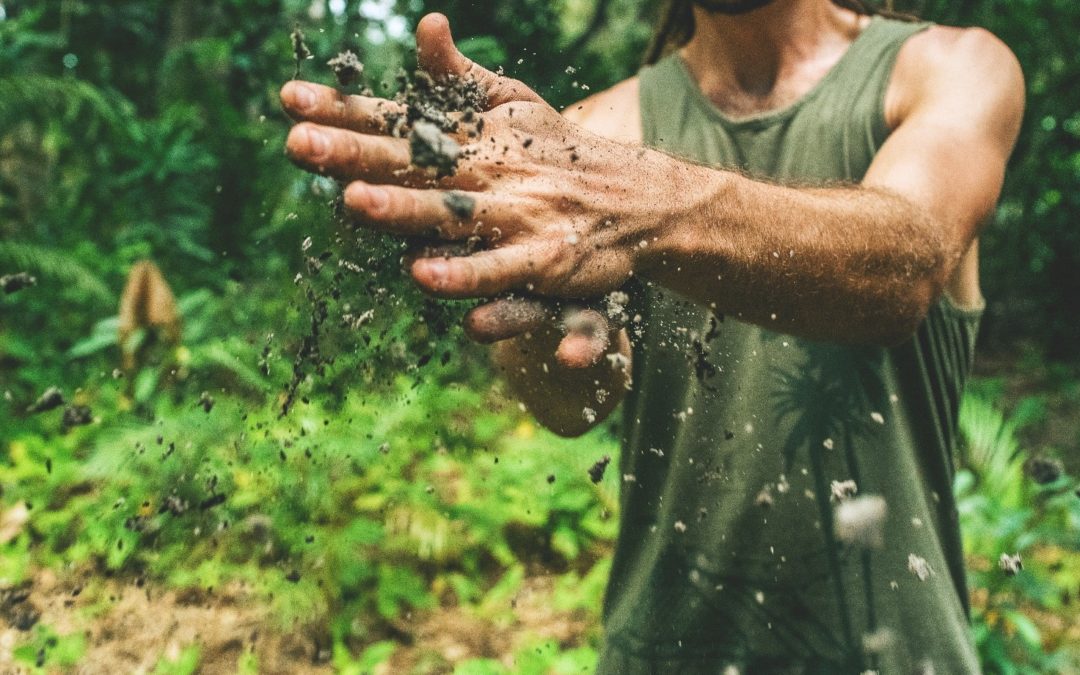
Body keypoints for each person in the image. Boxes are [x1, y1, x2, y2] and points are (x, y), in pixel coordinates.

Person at [280, 0, 1023, 671]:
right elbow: (570, 404)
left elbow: (902, 267)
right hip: (664, 651)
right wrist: (559, 332)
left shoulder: (949, 69)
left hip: (895, 652)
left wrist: (644, 204)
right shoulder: (596, 133)